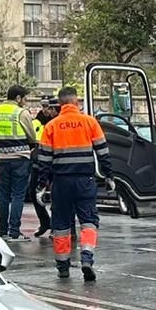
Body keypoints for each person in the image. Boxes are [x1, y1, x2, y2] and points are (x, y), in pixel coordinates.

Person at [36, 86, 109, 282]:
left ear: (60, 105)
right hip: (85, 181)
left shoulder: (51, 126)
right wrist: (109, 176)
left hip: (61, 182)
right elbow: (103, 152)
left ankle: (63, 267)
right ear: (77, 103)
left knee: (60, 225)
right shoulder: (89, 122)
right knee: (88, 222)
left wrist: (42, 184)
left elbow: (43, 160)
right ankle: (87, 258)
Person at [0, 85, 36, 240]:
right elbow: (31, 135)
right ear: (18, 98)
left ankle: (2, 230)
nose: (26, 102)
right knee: (18, 195)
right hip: (20, 158)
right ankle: (14, 231)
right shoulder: (21, 112)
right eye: (25, 98)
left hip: (2, 158)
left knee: (3, 195)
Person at [26, 100, 57, 238]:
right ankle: (45, 222)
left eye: (49, 107)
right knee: (33, 192)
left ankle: (59, 226)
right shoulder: (36, 122)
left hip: (55, 162)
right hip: (39, 162)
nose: (46, 110)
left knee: (59, 195)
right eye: (44, 107)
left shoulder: (58, 122)